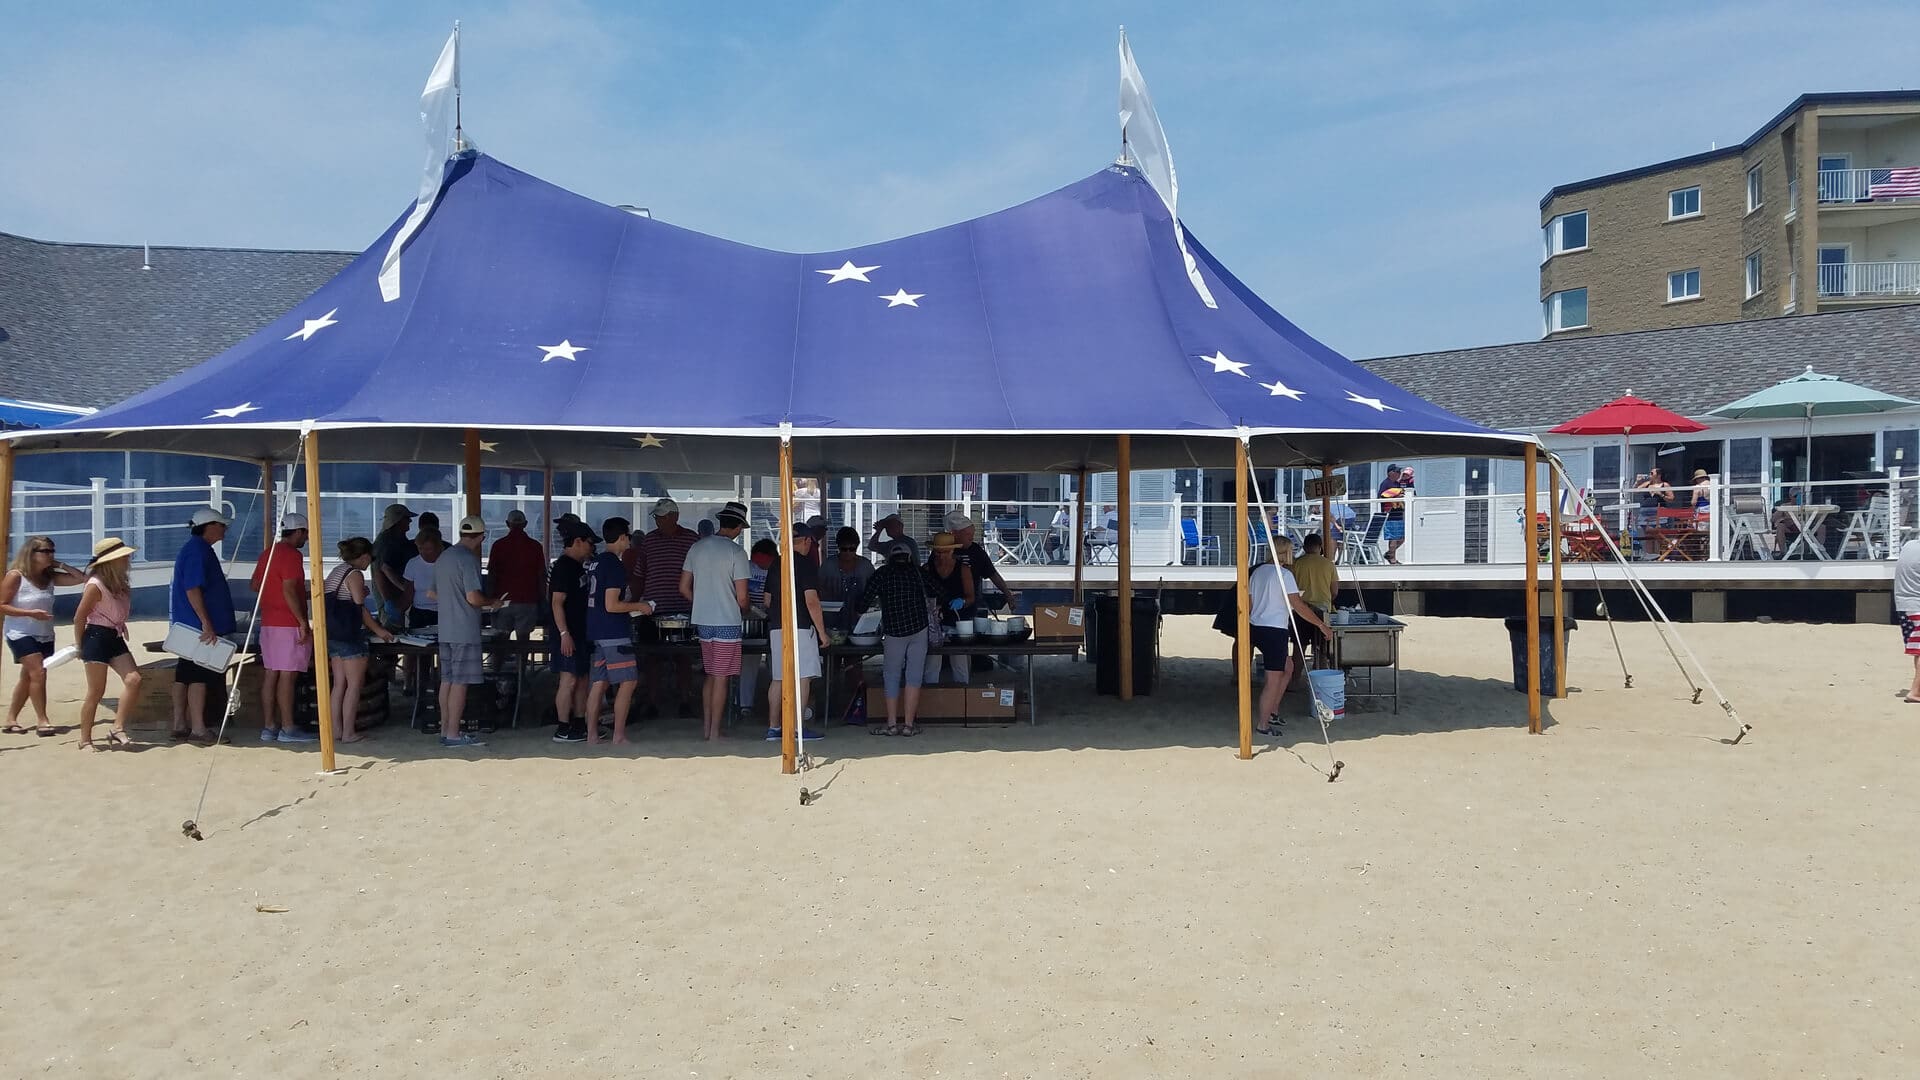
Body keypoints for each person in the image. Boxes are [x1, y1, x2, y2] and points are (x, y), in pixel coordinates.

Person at [680, 501, 752, 741]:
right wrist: (747, 610)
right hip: (727, 622)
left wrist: (701, 601)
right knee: (721, 677)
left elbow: (683, 587)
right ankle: (714, 732)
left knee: (711, 675)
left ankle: (707, 728)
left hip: (703, 620)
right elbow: (742, 598)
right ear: (739, 527)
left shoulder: (697, 548)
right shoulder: (736, 553)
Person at [580, 517, 654, 745]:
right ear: (622, 537)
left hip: (596, 628)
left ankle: (592, 734)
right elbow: (612, 604)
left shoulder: (595, 562)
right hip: (613, 632)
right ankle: (619, 735)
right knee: (628, 681)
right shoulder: (613, 564)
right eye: (628, 536)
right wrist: (639, 606)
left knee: (599, 683)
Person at [1248, 538, 1331, 736]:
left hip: (1256, 626)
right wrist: (1321, 625)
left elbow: (1249, 603)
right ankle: (1263, 725)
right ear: (1285, 552)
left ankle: (1273, 711)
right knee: (1273, 680)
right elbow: (1299, 606)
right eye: (1291, 550)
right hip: (1274, 629)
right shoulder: (1284, 575)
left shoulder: (1257, 572)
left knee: (1288, 667)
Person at [2, 536, 85, 736]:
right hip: (20, 632)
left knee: (28, 676)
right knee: (39, 673)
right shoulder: (16, 576)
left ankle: (11, 718)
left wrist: (59, 564)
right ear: (31, 553)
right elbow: (2, 605)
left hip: (44, 633)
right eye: (45, 551)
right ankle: (43, 720)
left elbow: (80, 578)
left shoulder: (49, 577)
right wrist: (30, 614)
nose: (50, 555)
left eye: (52, 551)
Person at [248, 513, 318, 744]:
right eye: (305, 533)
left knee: (271, 674)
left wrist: (275, 597)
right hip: (287, 623)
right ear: (298, 532)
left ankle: (269, 726)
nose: (306, 538)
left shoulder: (268, 553)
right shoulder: (291, 555)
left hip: (269, 621)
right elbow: (288, 589)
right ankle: (288, 727)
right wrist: (301, 620)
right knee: (287, 676)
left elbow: (256, 584)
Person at [169, 506, 236, 744]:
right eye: (221, 525)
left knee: (184, 674)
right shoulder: (198, 551)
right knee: (199, 675)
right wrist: (207, 623)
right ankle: (198, 727)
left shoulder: (194, 549)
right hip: (198, 627)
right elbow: (193, 589)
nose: (224, 528)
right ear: (210, 526)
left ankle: (180, 723)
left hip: (188, 625)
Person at [321, 537, 397, 744]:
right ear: (364, 556)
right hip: (350, 636)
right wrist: (380, 631)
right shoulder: (354, 575)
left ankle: (336, 730)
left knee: (338, 685)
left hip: (333, 635)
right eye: (369, 559)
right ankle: (348, 733)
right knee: (354, 685)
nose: (369, 563)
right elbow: (360, 608)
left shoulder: (337, 571)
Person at [433, 516, 500, 748]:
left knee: (447, 681)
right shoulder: (468, 560)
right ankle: (453, 733)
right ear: (482, 536)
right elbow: (473, 597)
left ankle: (445, 728)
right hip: (464, 629)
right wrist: (493, 603)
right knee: (460, 683)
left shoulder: (444, 557)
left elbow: (432, 593)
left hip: (446, 628)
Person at [858, 538, 933, 736]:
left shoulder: (882, 574)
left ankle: (891, 724)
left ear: (889, 557)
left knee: (891, 676)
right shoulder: (918, 572)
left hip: (893, 631)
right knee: (914, 676)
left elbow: (863, 602)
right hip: (919, 628)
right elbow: (939, 592)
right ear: (909, 557)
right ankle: (909, 725)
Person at [73, 538, 142, 751]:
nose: (128, 559)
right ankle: (85, 739)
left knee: (134, 679)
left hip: (114, 635)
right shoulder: (95, 584)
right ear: (112, 560)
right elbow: (79, 617)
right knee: (96, 691)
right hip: (95, 636)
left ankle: (117, 727)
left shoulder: (120, 583)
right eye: (124, 557)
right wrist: (79, 646)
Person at [765, 521, 828, 742]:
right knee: (802, 678)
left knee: (779, 677)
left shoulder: (776, 564)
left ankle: (774, 728)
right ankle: (798, 728)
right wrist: (822, 632)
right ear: (807, 541)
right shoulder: (805, 564)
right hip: (801, 626)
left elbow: (767, 600)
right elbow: (812, 601)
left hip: (776, 627)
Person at [638, 497, 701, 719]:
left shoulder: (692, 540)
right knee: (652, 658)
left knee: (683, 657)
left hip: (684, 607)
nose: (658, 521)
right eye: (656, 517)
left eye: (662, 517)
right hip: (654, 608)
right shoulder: (649, 541)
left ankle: (685, 700)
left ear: (674, 516)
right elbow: (640, 573)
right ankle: (652, 702)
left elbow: (700, 573)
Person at [547, 520, 598, 743]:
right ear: (577, 542)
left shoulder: (579, 566)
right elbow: (557, 602)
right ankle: (563, 726)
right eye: (589, 543)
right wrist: (564, 634)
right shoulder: (562, 567)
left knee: (582, 679)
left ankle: (579, 722)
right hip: (568, 633)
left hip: (582, 631)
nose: (592, 548)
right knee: (568, 681)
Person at [486, 508, 547, 676]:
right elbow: (541, 574)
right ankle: (521, 675)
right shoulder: (535, 546)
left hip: (503, 601)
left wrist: (490, 599)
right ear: (526, 524)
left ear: (507, 524)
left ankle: (496, 674)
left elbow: (492, 574)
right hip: (527, 601)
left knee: (500, 641)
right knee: (523, 641)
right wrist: (542, 598)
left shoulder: (498, 545)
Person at [922, 532, 975, 685]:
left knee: (960, 663)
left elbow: (971, 597)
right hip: (933, 622)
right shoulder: (926, 569)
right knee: (931, 663)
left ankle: (963, 697)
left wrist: (962, 602)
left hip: (958, 621)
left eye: (944, 552)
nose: (940, 555)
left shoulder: (963, 569)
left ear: (952, 551)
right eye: (937, 552)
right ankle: (930, 696)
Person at [943, 511, 1019, 613]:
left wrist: (1008, 594)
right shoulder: (942, 550)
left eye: (972, 534)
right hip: (944, 606)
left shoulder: (976, 551)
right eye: (968, 534)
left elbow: (992, 574)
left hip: (971, 606)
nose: (971, 538)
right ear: (954, 534)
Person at [1290, 534, 1340, 666]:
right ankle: (1320, 678)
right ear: (1320, 547)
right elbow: (1334, 591)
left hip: (1300, 609)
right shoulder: (1328, 564)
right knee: (1321, 649)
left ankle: (1295, 680)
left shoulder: (1297, 563)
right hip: (1322, 610)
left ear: (1305, 547)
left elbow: (1291, 588)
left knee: (1299, 647)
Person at [817, 527, 874, 634]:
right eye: (844, 549)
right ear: (838, 547)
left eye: (852, 549)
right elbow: (818, 588)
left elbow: (874, 590)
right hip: (831, 619)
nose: (848, 552)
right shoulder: (828, 565)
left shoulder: (866, 566)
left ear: (857, 547)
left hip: (859, 618)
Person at [369, 503, 417, 627]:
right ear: (398, 521)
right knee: (392, 633)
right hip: (389, 597)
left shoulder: (399, 539)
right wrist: (388, 601)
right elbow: (381, 570)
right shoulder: (385, 543)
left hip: (398, 597)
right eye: (407, 518)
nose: (410, 521)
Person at [402, 530, 444, 631]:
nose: (424, 552)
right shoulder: (413, 563)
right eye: (420, 548)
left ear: (438, 548)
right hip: (419, 613)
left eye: (428, 549)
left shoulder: (447, 562)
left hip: (444, 612)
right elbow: (408, 593)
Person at [1897, 536, 1920, 704]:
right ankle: (1915, 692)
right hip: (1915, 604)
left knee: (1919, 649)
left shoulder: (1910, 545)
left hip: (1903, 606)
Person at [1377, 466, 1409, 564]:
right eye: (1397, 471)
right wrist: (1394, 496)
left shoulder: (1397, 484)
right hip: (1390, 515)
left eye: (1400, 471)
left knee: (1402, 537)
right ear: (1390, 473)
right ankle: (1392, 559)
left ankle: (1389, 553)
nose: (1399, 473)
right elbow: (1380, 497)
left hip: (1399, 514)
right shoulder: (1385, 483)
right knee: (1393, 537)